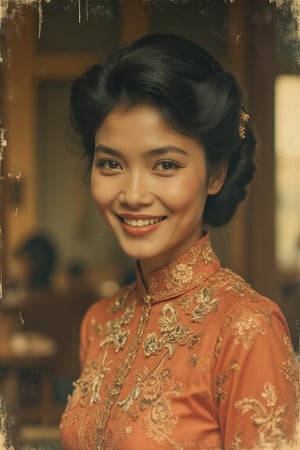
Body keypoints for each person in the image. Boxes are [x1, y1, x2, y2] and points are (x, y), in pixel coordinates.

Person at [60, 34, 299, 449]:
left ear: (216, 174)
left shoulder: (245, 328)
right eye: (111, 163)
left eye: (165, 165)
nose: (133, 194)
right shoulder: (99, 322)